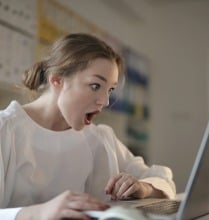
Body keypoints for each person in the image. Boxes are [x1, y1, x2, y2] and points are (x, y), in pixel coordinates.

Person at [0, 33, 176, 220]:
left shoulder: (100, 137)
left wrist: (143, 187)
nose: (106, 101)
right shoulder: (5, 130)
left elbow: (164, 181)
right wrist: (36, 213)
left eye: (110, 89)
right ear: (57, 79)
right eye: (95, 86)